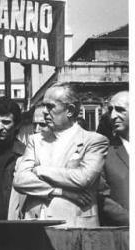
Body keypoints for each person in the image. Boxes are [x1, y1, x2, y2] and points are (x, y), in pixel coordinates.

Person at [13, 83, 109, 227]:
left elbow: (82, 178)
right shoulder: (35, 141)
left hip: (74, 226)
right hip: (36, 226)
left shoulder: (94, 141)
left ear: (69, 110)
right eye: (44, 105)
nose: (44, 111)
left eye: (50, 107)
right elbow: (20, 180)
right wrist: (59, 191)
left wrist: (40, 170)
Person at [99, 90, 129, 226]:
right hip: (124, 234)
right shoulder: (104, 153)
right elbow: (102, 198)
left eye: (120, 110)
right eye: (110, 110)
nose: (113, 116)